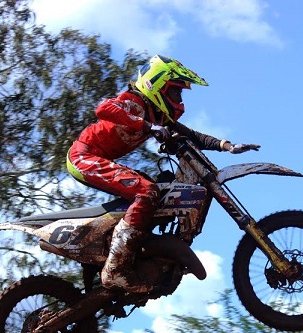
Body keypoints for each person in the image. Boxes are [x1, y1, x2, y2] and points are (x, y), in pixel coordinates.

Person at [67, 54, 260, 293]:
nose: (180, 101)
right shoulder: (133, 103)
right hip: (83, 157)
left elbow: (192, 135)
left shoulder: (157, 117)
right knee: (146, 191)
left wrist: (228, 146)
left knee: (159, 189)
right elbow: (103, 108)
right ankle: (116, 268)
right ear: (158, 86)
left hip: (98, 158)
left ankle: (140, 253)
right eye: (176, 93)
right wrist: (147, 127)